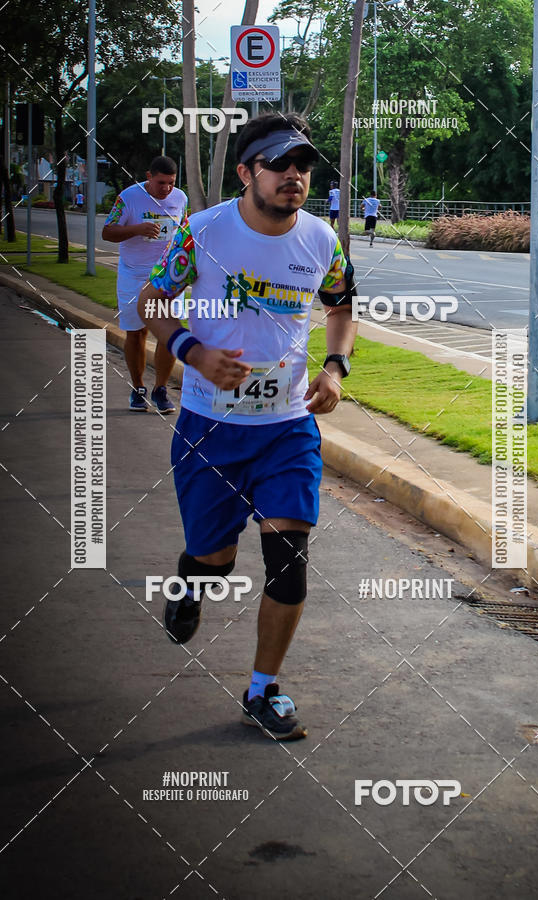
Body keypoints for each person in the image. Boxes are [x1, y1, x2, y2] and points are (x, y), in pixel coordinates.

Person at [138, 113, 357, 741]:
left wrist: (335, 369)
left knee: (288, 559)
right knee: (216, 558)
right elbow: (153, 302)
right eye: (280, 164)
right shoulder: (202, 233)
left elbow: (341, 307)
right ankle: (190, 581)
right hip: (210, 428)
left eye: (304, 166)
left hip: (286, 429)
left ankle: (264, 690)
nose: (295, 176)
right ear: (246, 172)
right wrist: (191, 351)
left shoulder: (321, 240)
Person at [102, 156, 188, 413]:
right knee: (136, 331)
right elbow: (107, 232)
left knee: (169, 332)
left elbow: (185, 228)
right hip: (134, 274)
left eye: (171, 183)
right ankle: (138, 388)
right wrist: (138, 229)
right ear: (149, 177)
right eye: (161, 183)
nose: (167, 189)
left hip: (167, 276)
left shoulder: (180, 198)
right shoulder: (128, 197)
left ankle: (160, 389)